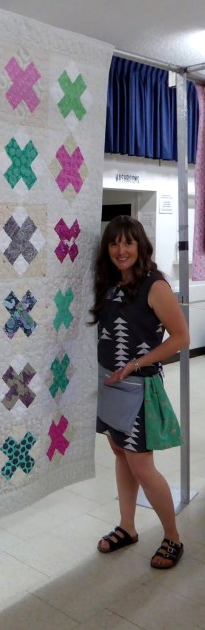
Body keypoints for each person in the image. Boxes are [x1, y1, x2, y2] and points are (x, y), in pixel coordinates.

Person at [89, 215, 189, 569]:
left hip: (138, 388)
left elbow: (181, 338)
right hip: (109, 385)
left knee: (143, 467)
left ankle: (172, 537)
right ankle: (127, 527)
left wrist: (136, 363)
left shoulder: (154, 286)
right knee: (120, 454)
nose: (121, 250)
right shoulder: (108, 284)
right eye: (114, 243)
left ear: (140, 246)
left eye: (128, 243)